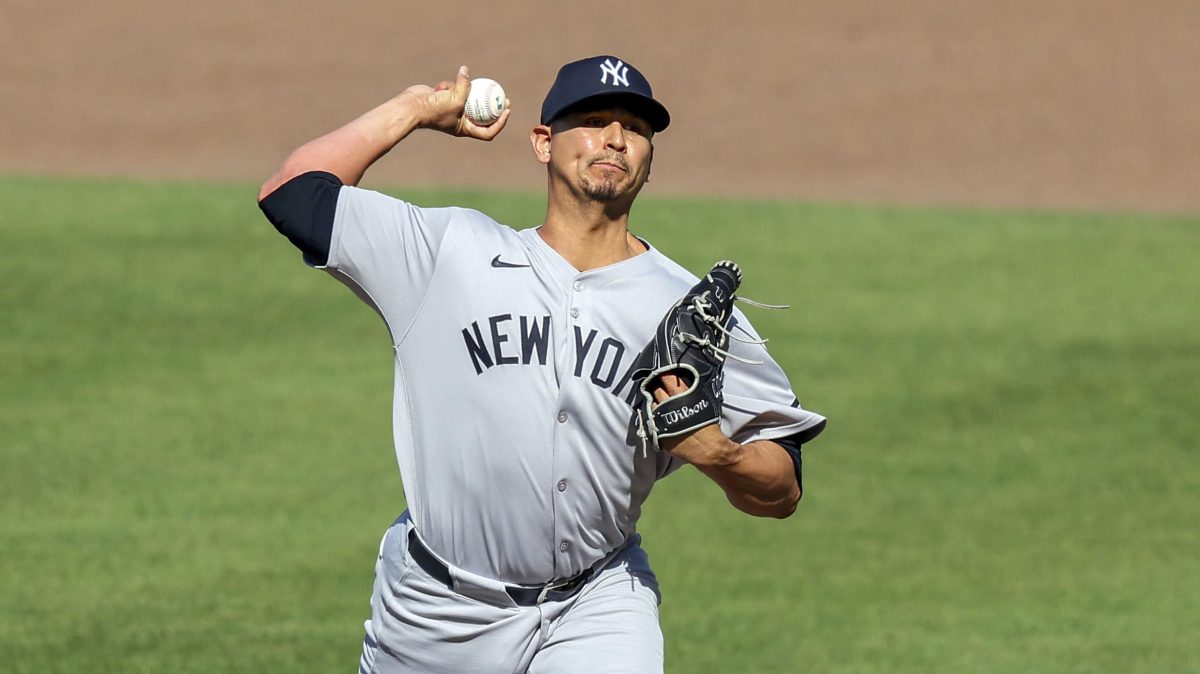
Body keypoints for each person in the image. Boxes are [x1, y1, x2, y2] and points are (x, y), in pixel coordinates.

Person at [257, 54, 826, 674]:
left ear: (650, 158)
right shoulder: (449, 254)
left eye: (635, 128)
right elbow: (292, 191)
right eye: (593, 119)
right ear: (542, 142)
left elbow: (783, 489)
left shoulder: (685, 308)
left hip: (597, 601)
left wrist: (718, 453)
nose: (615, 137)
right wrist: (419, 108)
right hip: (434, 612)